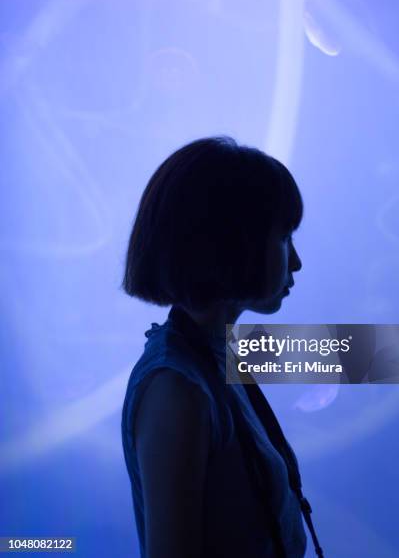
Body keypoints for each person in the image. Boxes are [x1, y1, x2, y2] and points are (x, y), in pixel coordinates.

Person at [120, 136, 321, 557]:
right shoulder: (177, 387)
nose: (296, 261)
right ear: (233, 243)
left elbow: (369, 354)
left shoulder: (216, 352)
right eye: (284, 237)